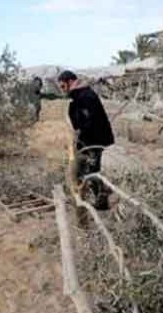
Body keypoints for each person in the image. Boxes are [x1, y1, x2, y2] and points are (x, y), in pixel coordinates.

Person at [58, 70, 114, 210]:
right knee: (81, 170)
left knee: (92, 171)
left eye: (63, 86)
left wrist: (80, 136)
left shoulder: (86, 96)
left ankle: (102, 201)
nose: (62, 90)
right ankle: (89, 197)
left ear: (70, 82)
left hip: (95, 140)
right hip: (87, 140)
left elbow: (90, 122)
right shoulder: (77, 97)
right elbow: (77, 122)